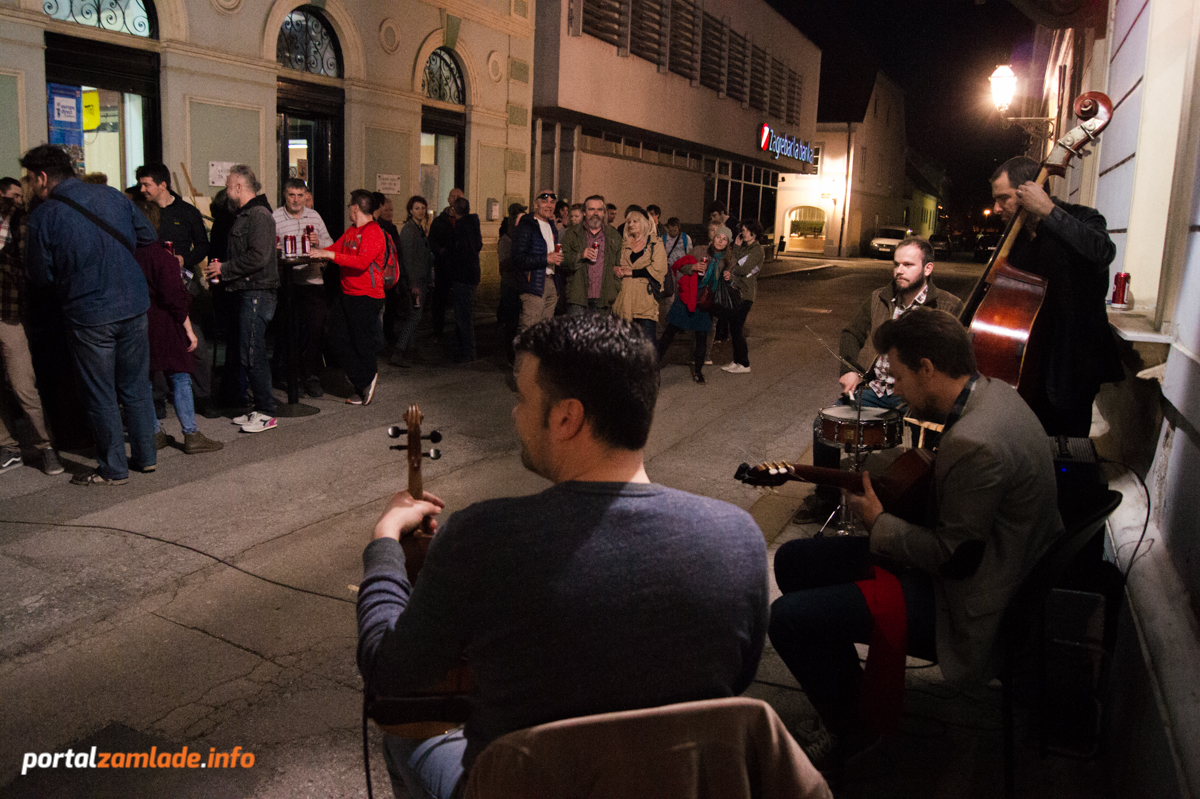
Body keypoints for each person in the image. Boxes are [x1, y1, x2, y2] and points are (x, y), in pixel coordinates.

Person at [356, 314, 769, 799]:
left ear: (567, 417)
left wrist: (385, 542)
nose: (515, 415)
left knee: (407, 742)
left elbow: (388, 671)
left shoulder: (484, 537)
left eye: (522, 399)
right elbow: (735, 682)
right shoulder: (738, 537)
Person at [769, 308, 1063, 767]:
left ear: (927, 368)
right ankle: (851, 698)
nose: (898, 391)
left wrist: (879, 522)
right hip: (983, 567)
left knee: (787, 618)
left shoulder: (976, 441)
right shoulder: (996, 395)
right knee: (793, 560)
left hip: (968, 602)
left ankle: (856, 731)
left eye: (900, 377)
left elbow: (953, 557)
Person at [794, 237, 963, 524]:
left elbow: (957, 358)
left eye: (908, 264)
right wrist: (850, 369)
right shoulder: (879, 298)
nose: (899, 270)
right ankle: (826, 498)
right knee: (823, 426)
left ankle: (920, 510)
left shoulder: (948, 305)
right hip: (877, 389)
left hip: (917, 395)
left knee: (931, 449)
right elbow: (851, 333)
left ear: (928, 268)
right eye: (896, 264)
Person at [22, 144, 158, 484]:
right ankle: (146, 457)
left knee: (100, 393)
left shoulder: (44, 215)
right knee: (136, 386)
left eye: (30, 179)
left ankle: (114, 468)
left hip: (89, 312)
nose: (31, 186)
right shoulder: (112, 195)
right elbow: (148, 235)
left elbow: (39, 275)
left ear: (42, 177)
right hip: (134, 302)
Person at [988, 156, 1123, 436]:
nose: (997, 208)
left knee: (1066, 447)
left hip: (1070, 367)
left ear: (1030, 191)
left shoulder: (1083, 217)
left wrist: (1048, 212)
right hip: (1024, 364)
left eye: (1003, 198)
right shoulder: (1013, 239)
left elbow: (1103, 251)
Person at [132, 206, 223, 456]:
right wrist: (189, 330)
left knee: (146, 378)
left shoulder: (130, 254)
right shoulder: (162, 257)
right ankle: (191, 433)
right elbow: (175, 298)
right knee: (180, 376)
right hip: (166, 323)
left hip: (140, 324)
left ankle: (154, 432)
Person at [136, 163, 217, 415]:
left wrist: (185, 259)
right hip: (152, 285)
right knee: (157, 340)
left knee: (196, 341)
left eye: (146, 184)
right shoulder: (140, 212)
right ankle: (158, 397)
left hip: (184, 283)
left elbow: (203, 245)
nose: (142, 189)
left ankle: (202, 395)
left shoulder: (187, 211)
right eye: (140, 184)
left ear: (163, 185)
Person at [205, 164, 279, 434]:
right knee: (247, 351)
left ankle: (267, 411)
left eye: (228, 185)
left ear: (238, 186)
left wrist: (224, 269)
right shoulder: (246, 214)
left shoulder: (258, 215)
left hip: (257, 292)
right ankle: (259, 408)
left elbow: (258, 257)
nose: (226, 190)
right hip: (248, 291)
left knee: (252, 352)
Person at [0, 190, 63, 476]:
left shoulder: (19, 222)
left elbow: (30, 270)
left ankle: (45, 446)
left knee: (23, 385)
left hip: (10, 314)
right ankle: (8, 446)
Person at [309, 190, 386, 405]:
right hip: (348, 293)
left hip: (366, 295)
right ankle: (362, 379)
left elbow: (361, 262)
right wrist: (317, 250)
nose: (349, 210)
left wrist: (328, 254)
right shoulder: (352, 231)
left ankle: (365, 381)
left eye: (349, 206)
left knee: (360, 341)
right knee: (336, 335)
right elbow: (335, 249)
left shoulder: (373, 232)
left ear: (355, 207)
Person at [272, 179, 334, 397]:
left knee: (315, 332)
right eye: (292, 195)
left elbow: (331, 246)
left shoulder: (314, 216)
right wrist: (276, 249)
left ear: (306, 196)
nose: (296, 200)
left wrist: (319, 244)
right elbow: (269, 250)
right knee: (292, 332)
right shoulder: (276, 217)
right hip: (289, 284)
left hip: (313, 282)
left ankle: (311, 376)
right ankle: (291, 377)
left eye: (300, 195)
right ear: (285, 195)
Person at [657, 224, 728, 384]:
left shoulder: (726, 259)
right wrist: (693, 267)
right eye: (718, 236)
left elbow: (733, 277)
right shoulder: (699, 250)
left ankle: (698, 371)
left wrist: (729, 278)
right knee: (670, 331)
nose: (720, 241)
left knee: (701, 336)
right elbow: (681, 266)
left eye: (724, 239)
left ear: (727, 242)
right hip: (688, 297)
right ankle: (655, 363)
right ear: (713, 238)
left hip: (705, 301)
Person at [611, 206, 668, 344]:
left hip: (645, 300)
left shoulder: (655, 243)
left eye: (635, 221)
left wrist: (631, 272)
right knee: (624, 343)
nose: (631, 224)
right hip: (624, 299)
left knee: (648, 343)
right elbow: (614, 264)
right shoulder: (623, 244)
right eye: (629, 222)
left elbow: (659, 269)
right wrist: (615, 269)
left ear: (643, 223)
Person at [560, 194, 621, 314]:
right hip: (578, 298)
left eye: (599, 210)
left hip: (604, 299)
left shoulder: (614, 236)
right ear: (584, 212)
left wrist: (615, 289)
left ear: (604, 213)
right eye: (591, 209)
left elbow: (619, 265)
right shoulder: (572, 234)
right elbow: (562, 261)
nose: (595, 213)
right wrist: (580, 255)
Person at [511, 188, 562, 332]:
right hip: (533, 285)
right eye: (544, 201)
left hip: (551, 283)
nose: (549, 205)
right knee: (530, 331)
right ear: (535, 204)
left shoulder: (552, 226)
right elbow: (518, 258)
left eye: (552, 202)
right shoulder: (526, 225)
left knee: (545, 332)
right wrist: (546, 258)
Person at [391, 195, 433, 368]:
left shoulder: (419, 228)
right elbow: (408, 258)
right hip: (414, 282)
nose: (421, 211)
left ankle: (411, 350)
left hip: (421, 279)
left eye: (423, 208)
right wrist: (413, 283)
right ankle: (400, 351)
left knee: (417, 316)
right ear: (410, 211)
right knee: (414, 316)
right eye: (417, 208)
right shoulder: (409, 230)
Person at [720, 219, 764, 374]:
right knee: (734, 328)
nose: (742, 233)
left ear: (754, 233)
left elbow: (744, 269)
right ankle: (737, 360)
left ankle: (744, 363)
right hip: (737, 291)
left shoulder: (757, 250)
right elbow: (733, 263)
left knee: (737, 328)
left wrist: (731, 271)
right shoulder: (745, 248)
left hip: (745, 294)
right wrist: (737, 248)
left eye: (745, 230)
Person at [445, 195, 483, 362]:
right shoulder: (473, 224)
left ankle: (467, 351)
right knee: (464, 313)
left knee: (463, 315)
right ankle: (465, 348)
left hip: (462, 276)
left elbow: (460, 252)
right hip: (472, 274)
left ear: (455, 210)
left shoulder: (460, 227)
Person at [428, 188, 463, 343]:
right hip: (443, 266)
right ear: (448, 199)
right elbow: (431, 241)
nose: (456, 199)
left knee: (460, 302)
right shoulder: (439, 221)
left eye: (459, 196)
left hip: (460, 268)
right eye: (453, 196)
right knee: (439, 301)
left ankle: (460, 333)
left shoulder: (466, 221)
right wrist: (439, 250)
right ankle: (438, 332)